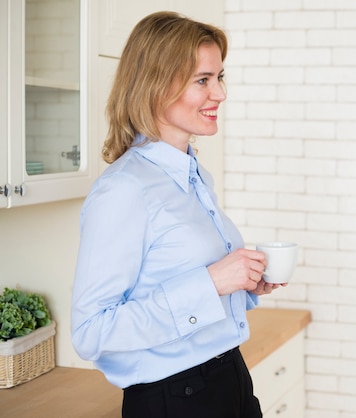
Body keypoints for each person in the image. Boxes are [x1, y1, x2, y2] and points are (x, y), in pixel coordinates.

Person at [71, 11, 283, 418]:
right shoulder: (124, 189)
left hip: (230, 377)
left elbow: (180, 282)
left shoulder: (194, 171)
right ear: (154, 85)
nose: (219, 94)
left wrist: (244, 284)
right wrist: (212, 283)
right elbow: (91, 331)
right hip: (176, 400)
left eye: (219, 78)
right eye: (202, 80)